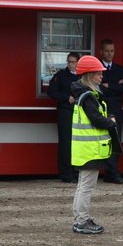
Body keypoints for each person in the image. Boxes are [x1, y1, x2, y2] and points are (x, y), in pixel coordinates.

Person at [68, 55, 121, 235]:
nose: (101, 77)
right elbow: (97, 120)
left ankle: (80, 218)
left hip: (85, 150)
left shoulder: (83, 94)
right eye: (98, 74)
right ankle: (82, 221)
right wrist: (111, 122)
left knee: (83, 185)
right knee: (86, 186)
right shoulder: (88, 96)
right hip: (89, 150)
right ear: (90, 75)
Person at [47, 53, 81, 183]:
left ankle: (76, 172)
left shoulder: (83, 75)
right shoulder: (61, 76)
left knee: (78, 143)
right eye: (69, 62)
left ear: (78, 62)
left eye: (73, 62)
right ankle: (66, 173)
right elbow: (51, 91)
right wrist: (66, 97)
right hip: (65, 111)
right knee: (65, 143)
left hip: (80, 113)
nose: (71, 64)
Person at [97, 38, 123, 183]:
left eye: (112, 51)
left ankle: (112, 171)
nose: (109, 54)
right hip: (101, 109)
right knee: (102, 140)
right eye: (107, 51)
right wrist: (115, 87)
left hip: (116, 109)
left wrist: (110, 86)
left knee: (116, 140)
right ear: (101, 51)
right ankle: (107, 170)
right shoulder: (97, 70)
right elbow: (99, 89)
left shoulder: (120, 69)